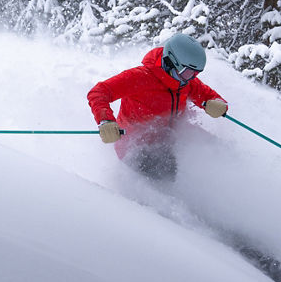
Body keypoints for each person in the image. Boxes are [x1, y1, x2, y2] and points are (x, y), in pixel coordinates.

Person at [87, 33, 229, 181]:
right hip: (136, 147)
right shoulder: (140, 77)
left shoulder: (184, 82)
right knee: (170, 171)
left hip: (170, 138)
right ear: (170, 61)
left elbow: (208, 95)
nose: (192, 78)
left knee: (216, 148)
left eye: (196, 73)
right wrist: (106, 121)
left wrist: (217, 104)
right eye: (188, 72)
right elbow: (99, 92)